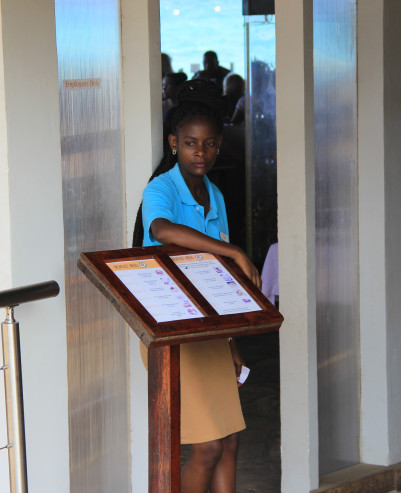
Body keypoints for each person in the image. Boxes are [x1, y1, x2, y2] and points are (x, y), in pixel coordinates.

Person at [133, 79, 261, 493]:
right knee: (207, 447)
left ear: (219, 145)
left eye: (208, 144)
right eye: (190, 143)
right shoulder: (161, 188)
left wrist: (232, 342)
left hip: (210, 328)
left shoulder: (216, 195)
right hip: (171, 328)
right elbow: (162, 229)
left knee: (230, 440)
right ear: (174, 144)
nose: (200, 152)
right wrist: (234, 250)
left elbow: (220, 277)